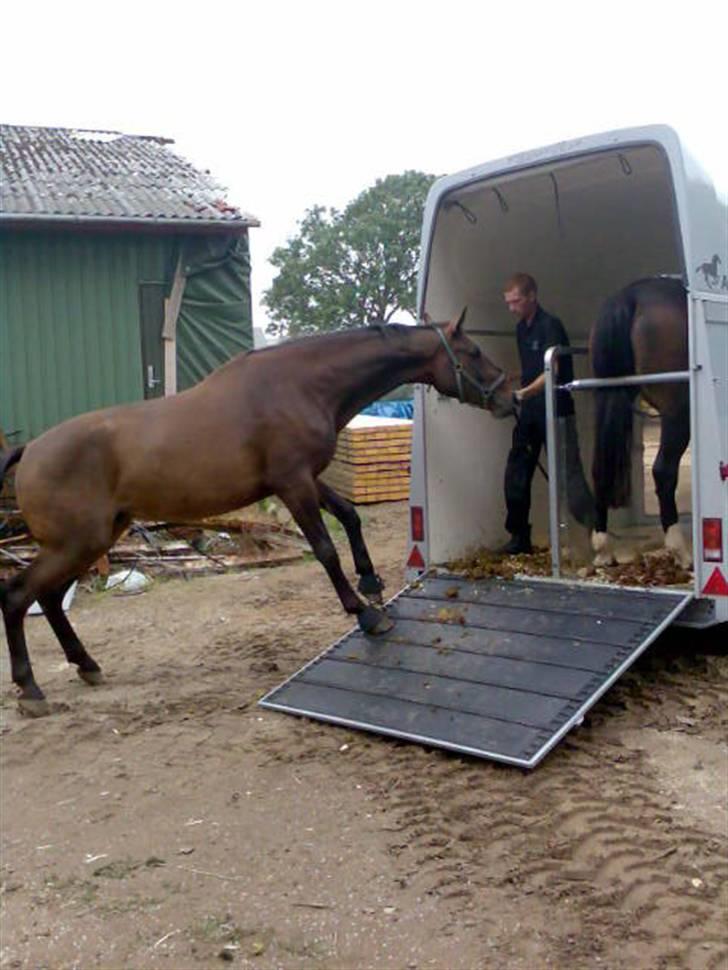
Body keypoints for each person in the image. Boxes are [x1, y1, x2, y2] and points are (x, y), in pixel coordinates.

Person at [500, 272, 576, 554]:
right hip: (531, 412)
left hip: (557, 410)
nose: (512, 308)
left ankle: (586, 535)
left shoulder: (550, 326)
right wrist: (510, 379)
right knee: (516, 473)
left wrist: (522, 393)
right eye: (508, 303)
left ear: (532, 296)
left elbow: (551, 371)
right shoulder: (521, 329)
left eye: (516, 301)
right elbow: (533, 370)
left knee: (569, 476)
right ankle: (519, 537)